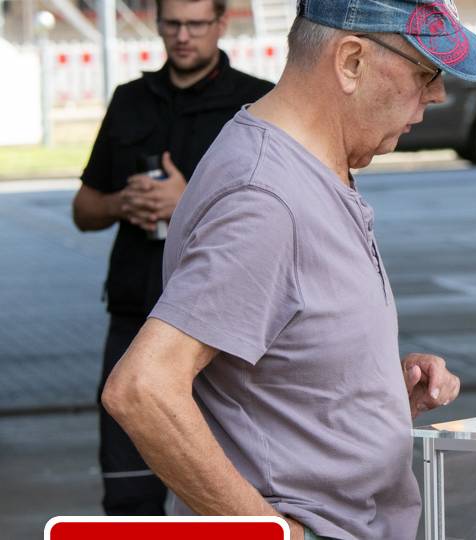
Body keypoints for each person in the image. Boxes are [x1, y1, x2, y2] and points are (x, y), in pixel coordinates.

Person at [101, 1, 476, 538]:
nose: (436, 94)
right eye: (424, 72)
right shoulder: (265, 200)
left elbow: (277, 360)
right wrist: (270, 532)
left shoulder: (301, 172)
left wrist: (368, 391)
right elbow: (143, 388)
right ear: (352, 62)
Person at [71, 0, 272, 515]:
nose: (183, 36)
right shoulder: (129, 100)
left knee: (227, 494)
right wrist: (122, 203)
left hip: (222, 331)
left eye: (196, 24)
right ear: (158, 25)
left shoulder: (257, 106)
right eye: (172, 24)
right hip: (135, 316)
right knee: (129, 494)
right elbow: (84, 208)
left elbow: (279, 217)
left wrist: (186, 205)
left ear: (222, 24)